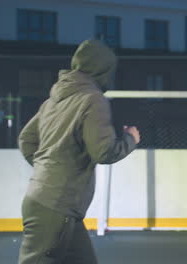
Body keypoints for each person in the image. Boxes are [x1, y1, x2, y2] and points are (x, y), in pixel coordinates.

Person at [17, 39, 140, 264]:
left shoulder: (54, 100)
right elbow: (104, 152)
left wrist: (49, 169)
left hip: (54, 204)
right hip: (56, 206)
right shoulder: (93, 99)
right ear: (104, 70)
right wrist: (130, 139)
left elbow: (27, 140)